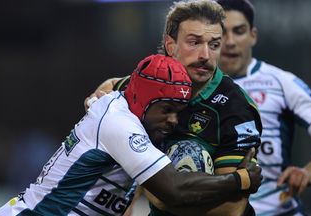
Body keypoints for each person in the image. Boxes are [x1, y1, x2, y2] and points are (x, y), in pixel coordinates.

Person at [0, 54, 262, 216]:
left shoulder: (130, 114)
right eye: (166, 110)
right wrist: (238, 180)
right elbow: (175, 190)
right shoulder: (119, 124)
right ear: (143, 101)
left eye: (178, 111)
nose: (173, 120)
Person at [86, 1, 263, 215]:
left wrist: (163, 194)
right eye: (194, 42)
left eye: (214, 45)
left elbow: (231, 209)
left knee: (189, 151)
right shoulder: (153, 82)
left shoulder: (236, 108)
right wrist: (96, 101)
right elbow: (112, 85)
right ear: (170, 45)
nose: (205, 55)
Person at [216, 0, 311, 215]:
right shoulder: (196, 87)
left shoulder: (281, 82)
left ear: (253, 35)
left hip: (279, 210)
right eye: (223, 33)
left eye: (239, 31)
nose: (230, 41)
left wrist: (309, 173)